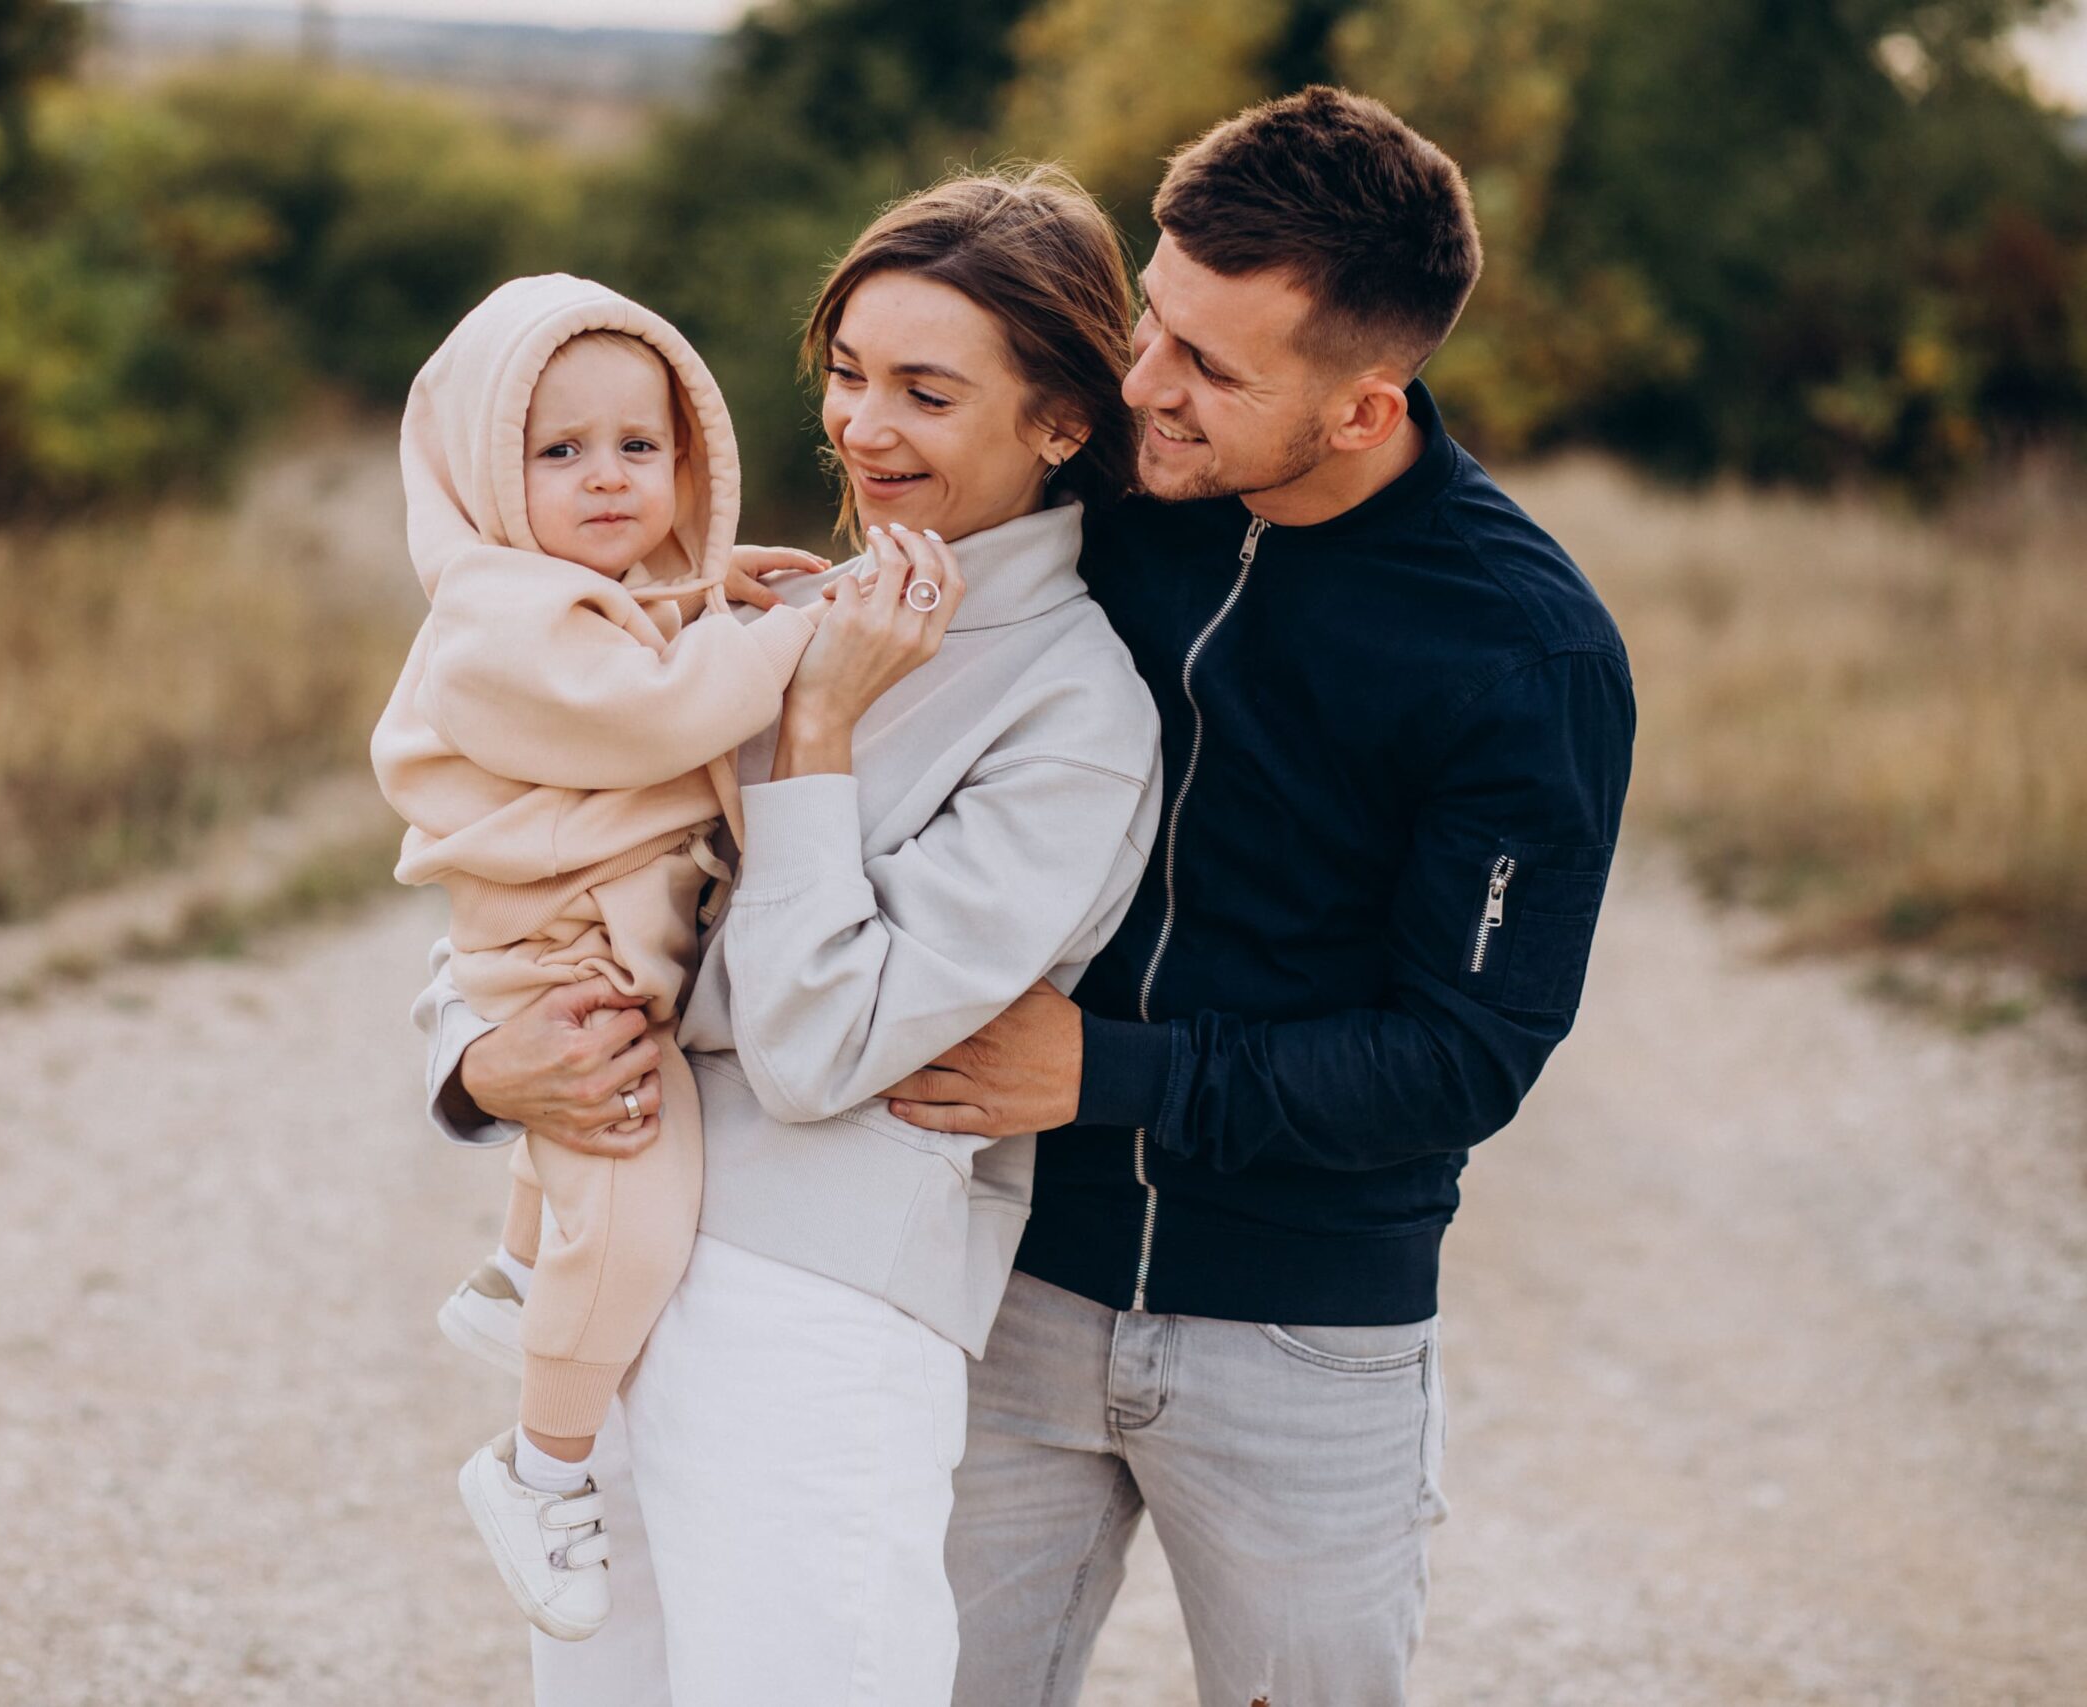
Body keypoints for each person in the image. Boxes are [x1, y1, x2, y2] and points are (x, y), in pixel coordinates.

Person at [876, 88, 1637, 1707]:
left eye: (1214, 370)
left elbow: (1465, 1055)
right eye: (1157, 323)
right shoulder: (1117, 501)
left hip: (1306, 1344)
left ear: (1368, 408)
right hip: (1009, 1281)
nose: (1145, 385)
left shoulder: (1523, 651)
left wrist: (1110, 1073)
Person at [414, 168, 1163, 1703]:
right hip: (616, 1261)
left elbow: (823, 1048)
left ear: (1061, 424)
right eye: (846, 374)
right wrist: (485, 1061)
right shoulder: (759, 617)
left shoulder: (1078, 712)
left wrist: (818, 726)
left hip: (818, 1302)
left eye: (926, 392)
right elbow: (538, 874)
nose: (861, 427)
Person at [370, 274, 828, 1639]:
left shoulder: (575, 597)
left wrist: (703, 589)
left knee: (595, 1208)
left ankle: (517, 1277)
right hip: (565, 970)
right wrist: (798, 629)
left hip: (583, 941)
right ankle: (539, 1463)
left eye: (642, 446)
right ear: (481, 474)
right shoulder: (492, 618)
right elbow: (647, 711)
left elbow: (633, 638)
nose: (609, 478)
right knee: (639, 1212)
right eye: (558, 451)